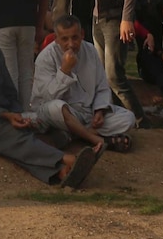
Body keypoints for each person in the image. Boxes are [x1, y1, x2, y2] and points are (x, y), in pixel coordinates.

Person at [0, 2, 99, 187]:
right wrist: (7, 116)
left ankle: (60, 172)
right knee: (7, 131)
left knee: (26, 127)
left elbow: (9, 91)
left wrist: (19, 114)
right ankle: (68, 159)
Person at [30, 15, 136, 152]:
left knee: (128, 118)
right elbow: (46, 99)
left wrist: (100, 110)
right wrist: (64, 71)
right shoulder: (46, 58)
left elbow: (102, 87)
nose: (71, 44)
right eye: (64, 39)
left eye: (74, 38)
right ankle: (97, 139)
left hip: (87, 115)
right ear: (56, 39)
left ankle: (75, 134)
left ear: (82, 35)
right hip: (60, 113)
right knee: (56, 107)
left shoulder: (91, 51)